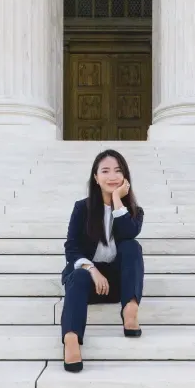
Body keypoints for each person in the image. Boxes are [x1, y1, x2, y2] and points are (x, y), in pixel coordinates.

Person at [60, 149, 145, 373]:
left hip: (117, 285)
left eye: (118, 171)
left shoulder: (135, 212)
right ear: (96, 178)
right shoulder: (82, 208)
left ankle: (130, 310)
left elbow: (127, 234)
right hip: (89, 283)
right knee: (78, 274)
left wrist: (117, 199)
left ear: (125, 177)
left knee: (132, 247)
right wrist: (92, 269)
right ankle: (71, 340)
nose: (112, 176)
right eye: (105, 171)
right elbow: (72, 247)